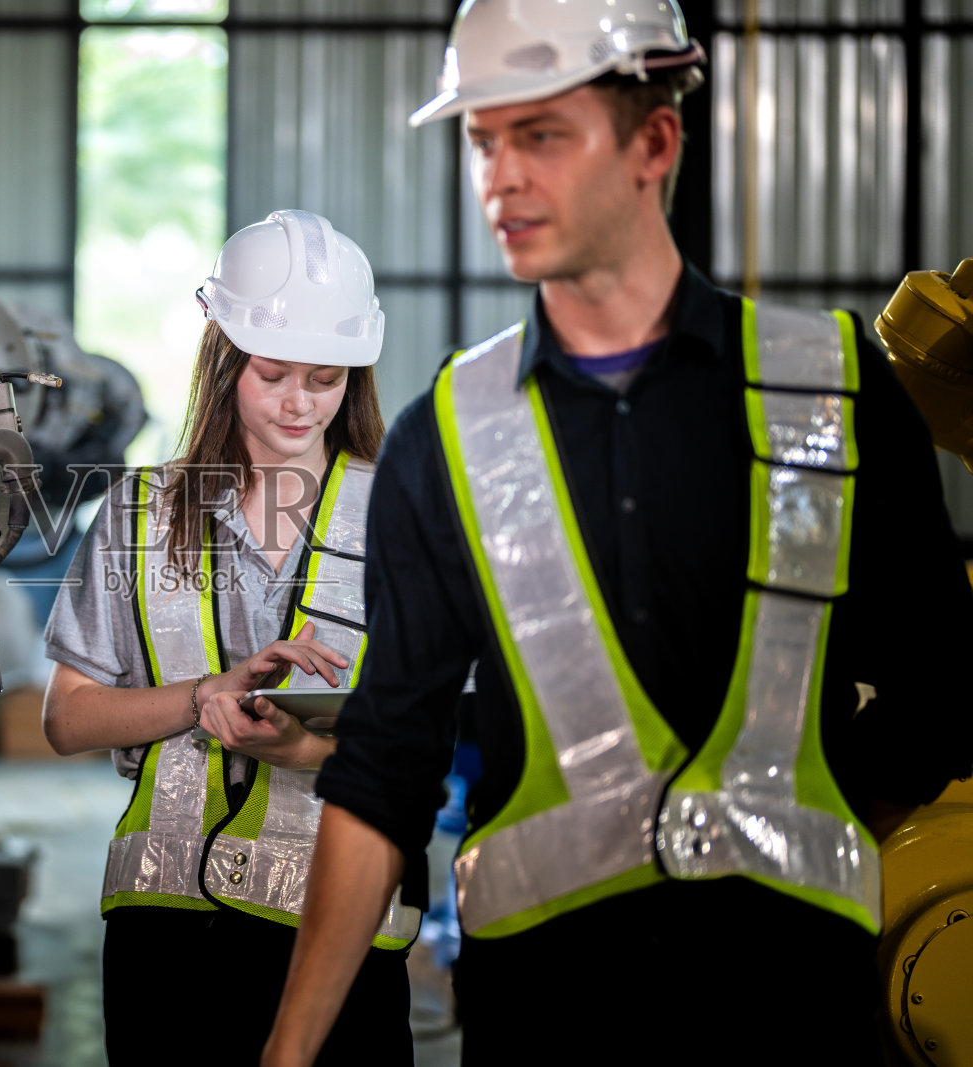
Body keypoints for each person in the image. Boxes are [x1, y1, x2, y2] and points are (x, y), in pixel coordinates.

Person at [261, 2, 973, 1065]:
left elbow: (941, 688)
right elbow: (383, 766)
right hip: (547, 1012)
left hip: (788, 1004)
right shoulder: (446, 434)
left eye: (539, 133)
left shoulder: (832, 390)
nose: (499, 176)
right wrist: (287, 1052)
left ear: (653, 142)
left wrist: (795, 833)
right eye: (482, 139)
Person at [41, 209, 420, 1065]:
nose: (299, 402)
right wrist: (198, 695)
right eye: (273, 371)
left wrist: (308, 749)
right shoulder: (137, 511)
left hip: (344, 922)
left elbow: (426, 738)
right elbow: (66, 720)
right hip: (167, 932)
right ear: (221, 356)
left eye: (325, 379)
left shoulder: (405, 513)